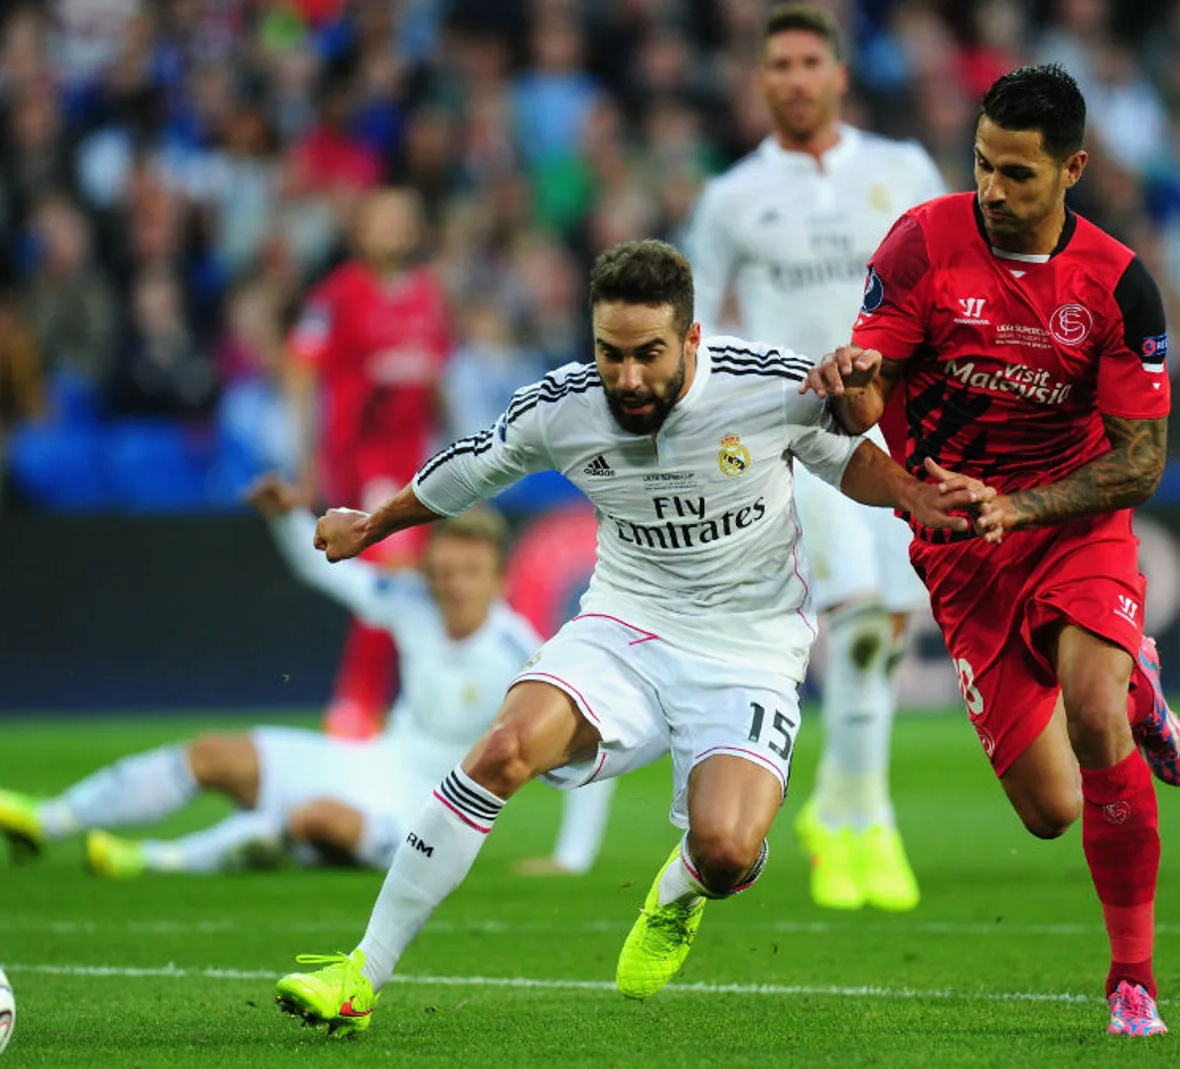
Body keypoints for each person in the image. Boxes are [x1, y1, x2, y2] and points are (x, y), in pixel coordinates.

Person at [271, 239, 989, 1035]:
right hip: (626, 623)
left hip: (750, 649)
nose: (628, 377)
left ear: (691, 339)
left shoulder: (766, 386)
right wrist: (372, 523)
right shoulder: (564, 406)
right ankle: (359, 972)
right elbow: (470, 468)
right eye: (610, 354)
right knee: (504, 747)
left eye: (648, 354)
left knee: (725, 849)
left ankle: (680, 892)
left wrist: (914, 497)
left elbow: (846, 457)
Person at [805, 65, 1180, 1037]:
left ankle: (1130, 980)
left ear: (1072, 168)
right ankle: (1139, 676)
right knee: (1050, 810)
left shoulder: (1117, 285)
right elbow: (866, 394)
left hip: (1067, 518)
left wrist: (1018, 509)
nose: (991, 190)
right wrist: (851, 386)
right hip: (956, 543)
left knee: (1094, 715)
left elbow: (1139, 464)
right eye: (981, 165)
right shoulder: (920, 244)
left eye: (1016, 174)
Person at [681, 2, 948, 912]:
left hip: (904, 428)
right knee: (863, 620)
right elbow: (696, 325)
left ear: (839, 74)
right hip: (803, 433)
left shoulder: (903, 169)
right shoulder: (731, 198)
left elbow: (949, 282)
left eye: (809, 62)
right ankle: (865, 820)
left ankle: (840, 805)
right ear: (761, 81)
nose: (794, 78)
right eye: (779, 64)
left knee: (889, 632)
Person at [0, 480, 541, 879]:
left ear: (500, 577)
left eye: (470, 572)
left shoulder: (519, 651)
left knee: (314, 816)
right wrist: (287, 517)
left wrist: (570, 856)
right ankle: (45, 821)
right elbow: (329, 572)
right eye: (444, 571)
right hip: (373, 762)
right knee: (215, 753)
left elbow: (580, 733)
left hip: (430, 813)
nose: (454, 585)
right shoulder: (412, 602)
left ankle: (155, 860)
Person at [287, 187, 453, 742]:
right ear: (360, 229)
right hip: (363, 458)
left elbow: (437, 378)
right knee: (393, 575)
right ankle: (356, 704)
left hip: (416, 458)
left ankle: (389, 703)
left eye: (403, 219)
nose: (393, 229)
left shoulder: (428, 296)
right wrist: (305, 457)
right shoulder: (337, 296)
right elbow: (301, 370)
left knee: (406, 584)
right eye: (382, 219)